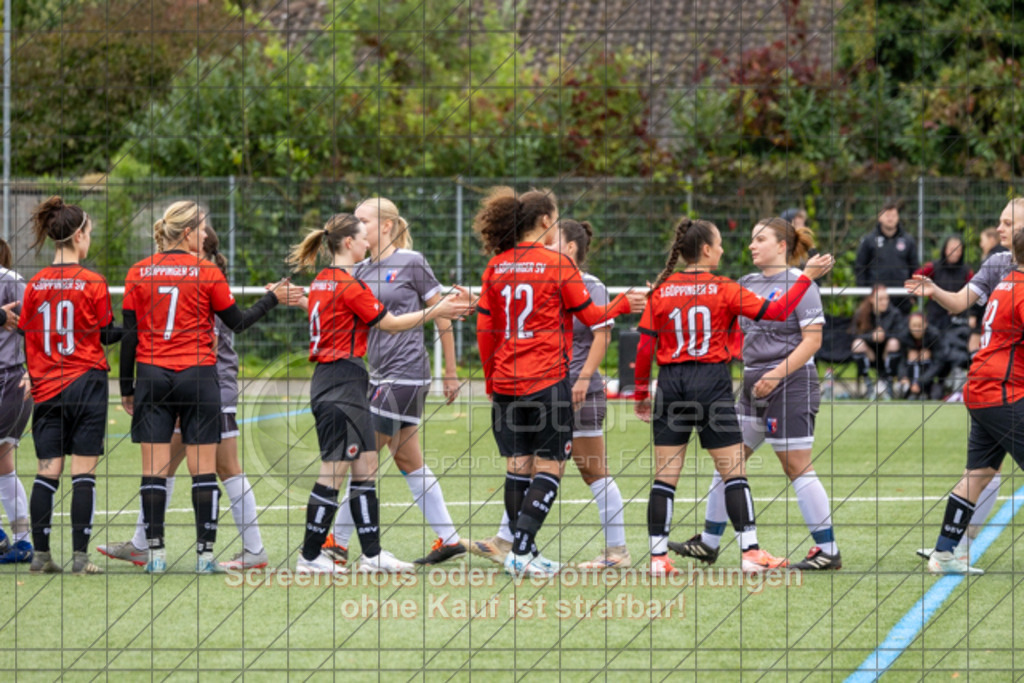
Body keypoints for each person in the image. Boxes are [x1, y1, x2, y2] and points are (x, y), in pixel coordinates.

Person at [634, 217, 834, 576]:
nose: (746, 246)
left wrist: (638, 392)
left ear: (782, 246)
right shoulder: (737, 284)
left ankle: (828, 548)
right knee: (731, 465)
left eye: (759, 239)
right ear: (707, 249)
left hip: (769, 382)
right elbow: (754, 319)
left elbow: (812, 341)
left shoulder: (665, 289)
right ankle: (731, 547)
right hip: (728, 384)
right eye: (743, 239)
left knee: (790, 464)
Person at [286, 212, 473, 575]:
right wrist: (435, 310)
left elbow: (326, 310)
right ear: (347, 243)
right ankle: (311, 556)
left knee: (365, 466)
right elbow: (388, 324)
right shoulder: (348, 282)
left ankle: (372, 554)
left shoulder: (325, 280)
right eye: (360, 236)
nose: (366, 243)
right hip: (342, 380)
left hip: (346, 380)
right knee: (334, 472)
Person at [473, 188, 646, 578]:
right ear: (547, 222)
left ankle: (525, 551)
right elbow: (591, 313)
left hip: (505, 381)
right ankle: (520, 552)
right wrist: (623, 304)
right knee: (550, 467)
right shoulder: (557, 265)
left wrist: (490, 377)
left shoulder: (496, 266)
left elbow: (485, 330)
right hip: (547, 379)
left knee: (518, 468)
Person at [99, 226, 292, 570]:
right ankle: (146, 545)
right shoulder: (198, 278)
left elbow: (217, 334)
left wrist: (130, 382)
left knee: (223, 466)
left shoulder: (196, 281)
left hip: (210, 386)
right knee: (170, 466)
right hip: (195, 385)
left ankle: (252, 549)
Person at [905, 198, 1024, 561]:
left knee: (980, 472)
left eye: (1007, 222)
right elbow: (958, 303)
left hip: (986, 384)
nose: (998, 228)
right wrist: (936, 291)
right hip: (1003, 386)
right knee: (980, 473)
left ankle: (947, 551)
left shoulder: (1010, 273)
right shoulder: (1002, 267)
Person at [20, 197, 121, 574]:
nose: (89, 239)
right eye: (89, 233)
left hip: (47, 387)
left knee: (47, 471)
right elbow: (106, 333)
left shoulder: (35, 285)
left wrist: (34, 373)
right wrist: (141, 329)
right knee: (83, 473)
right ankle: (80, 558)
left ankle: (41, 555)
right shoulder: (93, 282)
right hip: (86, 383)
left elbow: (29, 336)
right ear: (78, 236)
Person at [0, 238, 32, 566]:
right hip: (16, 383)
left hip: (8, 381)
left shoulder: (10, 281)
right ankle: (22, 543)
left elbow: (35, 327)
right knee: (4, 465)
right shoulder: (15, 281)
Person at [855, 198, 919, 313]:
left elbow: (915, 268)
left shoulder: (908, 241)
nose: (890, 218)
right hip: (876, 298)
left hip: (902, 297)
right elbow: (860, 267)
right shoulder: (869, 240)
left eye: (894, 215)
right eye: (887, 215)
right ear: (880, 217)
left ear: (898, 217)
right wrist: (864, 294)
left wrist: (913, 295)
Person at [849, 284, 904, 399]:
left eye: (886, 299)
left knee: (894, 342)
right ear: (871, 299)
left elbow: (901, 335)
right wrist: (871, 336)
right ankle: (868, 384)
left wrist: (884, 335)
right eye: (880, 299)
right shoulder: (862, 313)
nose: (884, 302)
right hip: (869, 354)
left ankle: (888, 382)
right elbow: (853, 335)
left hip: (886, 354)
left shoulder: (895, 313)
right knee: (857, 344)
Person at [914, 235, 973, 331]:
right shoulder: (933, 266)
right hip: (936, 315)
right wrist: (932, 295)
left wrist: (960, 306)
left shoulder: (966, 271)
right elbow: (916, 277)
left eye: (958, 250)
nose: (955, 253)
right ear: (945, 250)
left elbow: (975, 290)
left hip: (958, 317)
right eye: (952, 249)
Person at [895, 312, 949, 400]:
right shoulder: (903, 336)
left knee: (925, 354)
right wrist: (903, 376)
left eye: (920, 326)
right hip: (910, 374)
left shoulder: (934, 336)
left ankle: (923, 390)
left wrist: (920, 382)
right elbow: (901, 360)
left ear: (926, 325)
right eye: (914, 326)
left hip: (930, 376)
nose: (917, 329)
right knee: (912, 355)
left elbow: (938, 363)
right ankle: (911, 390)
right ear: (909, 325)